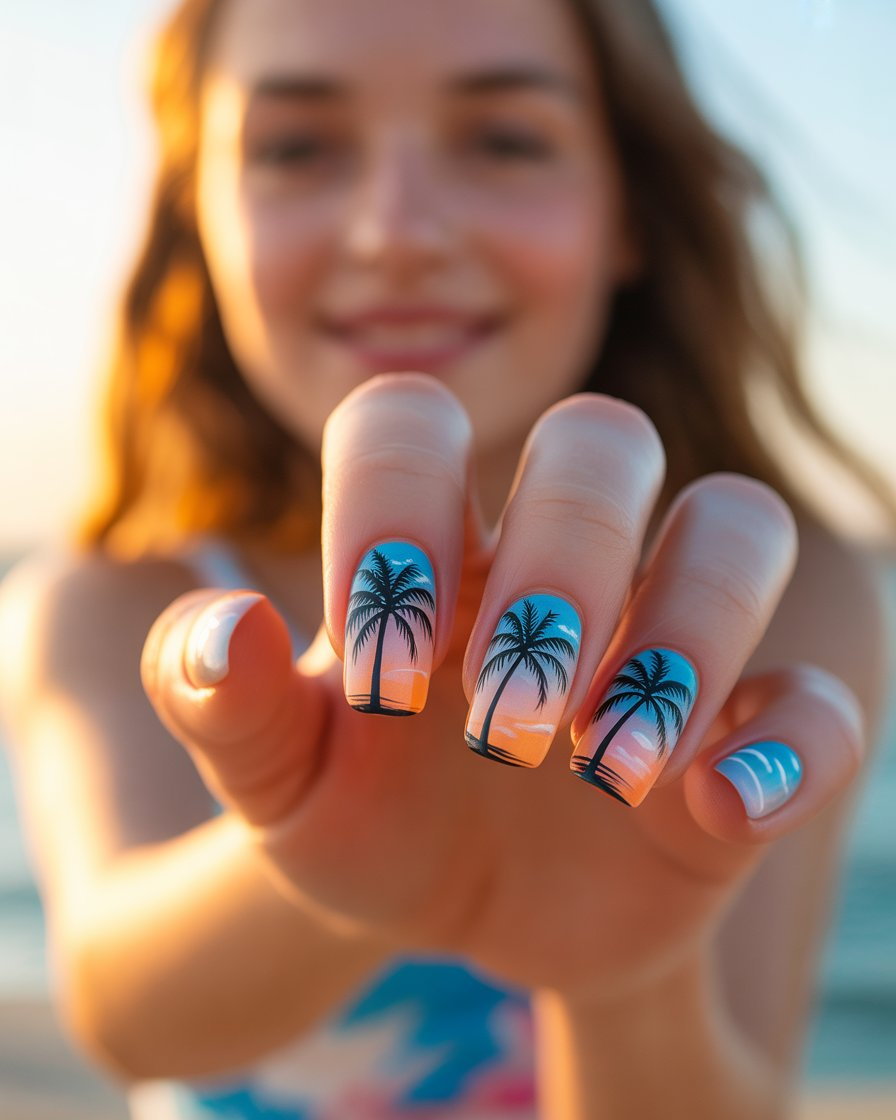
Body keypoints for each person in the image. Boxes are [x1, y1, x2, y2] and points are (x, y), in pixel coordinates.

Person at [0, 0, 892, 1116]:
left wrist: (623, 970)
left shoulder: (783, 599)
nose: (395, 230)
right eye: (294, 147)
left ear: (629, 206)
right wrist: (325, 851)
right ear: (198, 219)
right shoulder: (112, 600)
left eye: (504, 138)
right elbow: (122, 1010)